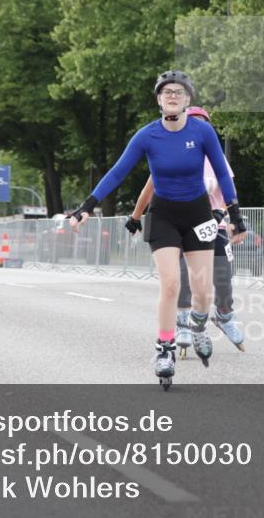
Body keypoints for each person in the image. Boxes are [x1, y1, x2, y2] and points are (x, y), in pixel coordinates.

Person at [70, 70, 246, 389]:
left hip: (199, 214)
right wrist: (88, 205)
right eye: (167, 92)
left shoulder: (203, 133)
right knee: (170, 284)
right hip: (164, 214)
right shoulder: (147, 136)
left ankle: (198, 326)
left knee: (203, 290)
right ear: (159, 100)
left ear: (188, 99)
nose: (173, 95)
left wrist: (235, 212)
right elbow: (117, 172)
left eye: (179, 91)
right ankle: (164, 348)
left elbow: (221, 171)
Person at [126, 105, 246, 357]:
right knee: (181, 275)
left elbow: (228, 193)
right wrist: (135, 217)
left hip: (214, 223)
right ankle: (183, 322)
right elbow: (148, 191)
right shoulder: (171, 156)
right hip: (179, 223)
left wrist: (224, 214)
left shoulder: (216, 157)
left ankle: (224, 314)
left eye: (203, 124)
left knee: (222, 276)